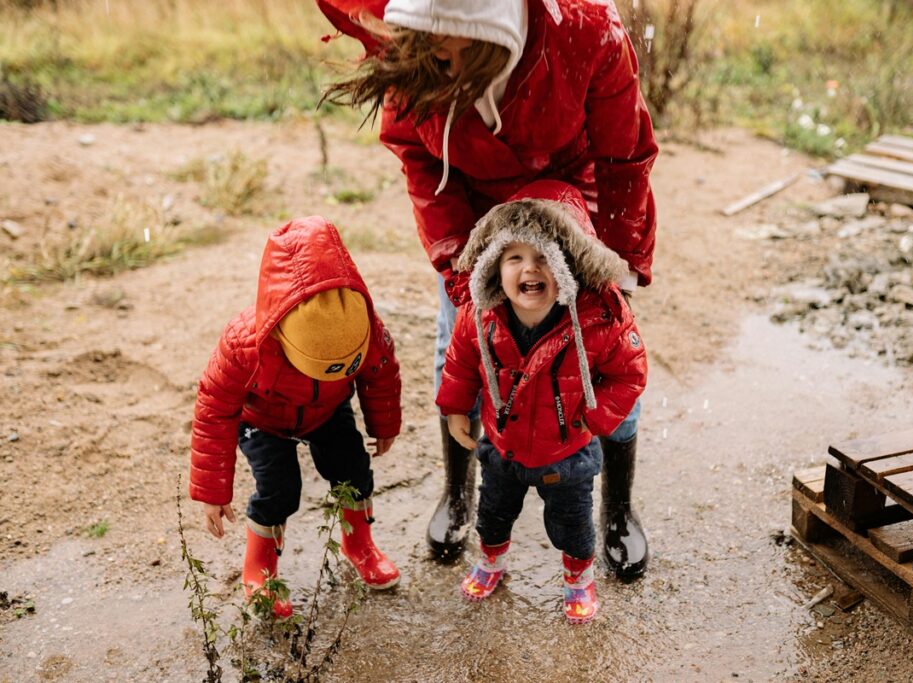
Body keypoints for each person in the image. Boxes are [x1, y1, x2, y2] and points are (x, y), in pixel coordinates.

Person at [317, 0, 657, 579]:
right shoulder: (413, 48)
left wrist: (615, 266)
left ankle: (618, 507)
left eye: (459, 49)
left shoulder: (587, 29)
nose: (442, 60)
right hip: (472, 208)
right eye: (432, 48)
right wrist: (459, 267)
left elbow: (624, 155)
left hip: (572, 201)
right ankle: (459, 492)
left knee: (602, 344)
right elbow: (417, 153)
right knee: (459, 339)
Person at [436, 180, 647, 623]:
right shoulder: (479, 315)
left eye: (544, 258)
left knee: (573, 526)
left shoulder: (599, 320)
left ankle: (579, 577)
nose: (529, 269)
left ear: (570, 267)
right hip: (502, 447)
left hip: (568, 454)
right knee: (493, 515)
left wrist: (596, 417)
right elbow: (460, 362)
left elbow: (629, 372)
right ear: (494, 266)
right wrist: (456, 408)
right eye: (514, 258)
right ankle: (491, 560)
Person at [189, 216, 403, 618]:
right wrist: (212, 492)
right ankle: (260, 568)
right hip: (263, 420)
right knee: (279, 487)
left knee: (353, 469)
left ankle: (359, 545)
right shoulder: (243, 344)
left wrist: (384, 425)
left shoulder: (364, 325)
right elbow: (214, 410)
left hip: (328, 410)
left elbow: (381, 372)